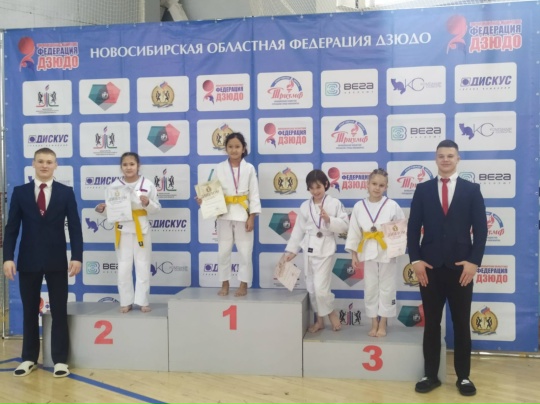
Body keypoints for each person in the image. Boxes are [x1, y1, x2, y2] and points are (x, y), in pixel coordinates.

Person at [407, 140, 487, 396]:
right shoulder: (422, 190)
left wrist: (474, 262)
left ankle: (463, 377)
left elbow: (481, 230)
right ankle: (430, 375)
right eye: (441, 156)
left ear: (458, 158)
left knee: (461, 323)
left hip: (461, 270)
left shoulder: (471, 190)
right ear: (436, 158)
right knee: (431, 323)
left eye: (450, 156)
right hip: (429, 268)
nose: (445, 160)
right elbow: (412, 228)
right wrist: (415, 260)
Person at [3, 148, 83, 378]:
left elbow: (75, 227)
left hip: (57, 261)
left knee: (59, 311)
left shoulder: (66, 193)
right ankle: (28, 358)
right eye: (41, 161)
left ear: (55, 165)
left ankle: (60, 360)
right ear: (33, 163)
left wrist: (77, 256)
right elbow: (11, 229)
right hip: (28, 261)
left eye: (49, 162)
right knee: (30, 311)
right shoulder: (20, 192)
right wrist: (7, 258)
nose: (45, 165)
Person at [281, 169, 349, 332]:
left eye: (318, 187)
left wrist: (329, 219)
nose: (315, 191)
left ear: (326, 184)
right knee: (311, 287)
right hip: (309, 247)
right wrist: (291, 251)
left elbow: (345, 226)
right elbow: (298, 230)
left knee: (320, 288)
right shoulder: (305, 206)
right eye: (311, 188)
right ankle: (320, 321)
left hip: (325, 248)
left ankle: (331, 313)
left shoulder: (334, 203)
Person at [95, 152, 161, 313]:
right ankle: (126, 301)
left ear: (138, 166)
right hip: (122, 229)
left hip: (141, 229)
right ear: (121, 167)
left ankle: (143, 301)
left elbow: (156, 208)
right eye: (125, 165)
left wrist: (148, 203)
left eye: (132, 164)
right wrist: (102, 210)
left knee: (143, 265)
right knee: (123, 267)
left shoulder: (148, 184)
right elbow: (111, 210)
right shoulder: (113, 186)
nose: (128, 167)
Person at [197, 132, 261, 297]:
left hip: (243, 214)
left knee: (245, 252)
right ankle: (224, 283)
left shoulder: (249, 168)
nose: (234, 150)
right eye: (230, 147)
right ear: (225, 149)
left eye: (237, 146)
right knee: (223, 252)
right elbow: (212, 190)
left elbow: (254, 194)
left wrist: (252, 217)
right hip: (223, 214)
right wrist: (204, 201)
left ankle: (243, 284)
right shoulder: (219, 168)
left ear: (243, 148)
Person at [345, 168, 405, 337]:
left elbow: (401, 229)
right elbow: (354, 232)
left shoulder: (392, 206)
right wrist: (353, 255)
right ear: (367, 184)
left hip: (387, 251)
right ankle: (374, 322)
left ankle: (383, 322)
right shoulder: (359, 206)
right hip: (367, 250)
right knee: (370, 287)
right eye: (374, 184)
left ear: (386, 187)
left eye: (381, 185)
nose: (377, 188)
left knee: (387, 287)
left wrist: (396, 248)